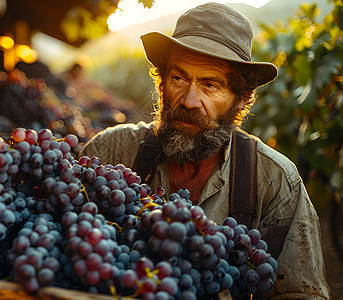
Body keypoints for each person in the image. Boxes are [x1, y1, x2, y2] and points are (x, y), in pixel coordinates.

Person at [80, 2, 330, 299]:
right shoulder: (109, 153)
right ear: (161, 83)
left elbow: (300, 292)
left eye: (210, 85)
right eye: (178, 78)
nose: (189, 100)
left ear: (241, 98)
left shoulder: (276, 182)